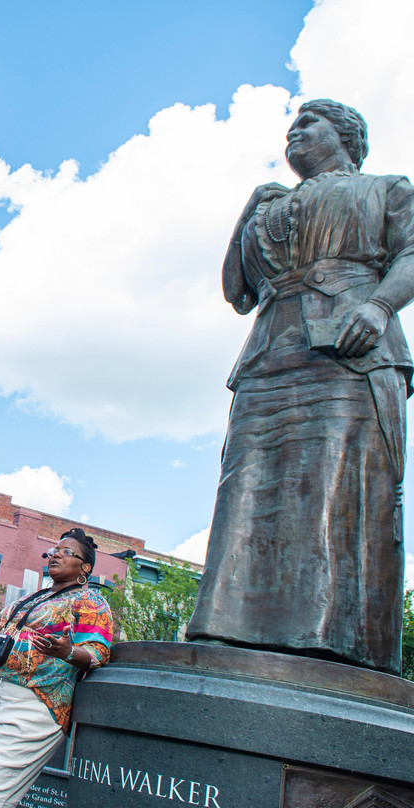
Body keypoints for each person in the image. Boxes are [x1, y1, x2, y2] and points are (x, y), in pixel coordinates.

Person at [186, 100, 414, 675]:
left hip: (349, 351)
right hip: (269, 354)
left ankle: (331, 638)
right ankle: (226, 626)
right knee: (245, 487)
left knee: (335, 486)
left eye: (308, 124)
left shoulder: (386, 188)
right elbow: (236, 291)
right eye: (291, 126)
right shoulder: (270, 203)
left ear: (345, 136)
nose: (294, 132)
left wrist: (382, 305)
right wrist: (250, 211)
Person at [0, 527, 113, 808]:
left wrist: (68, 651)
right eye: (54, 551)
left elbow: (98, 652)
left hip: (35, 703)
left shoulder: (91, 602)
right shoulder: (33, 598)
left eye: (66, 552)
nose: (55, 555)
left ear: (84, 567)